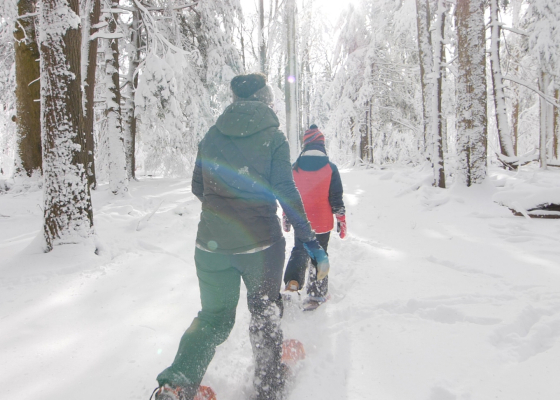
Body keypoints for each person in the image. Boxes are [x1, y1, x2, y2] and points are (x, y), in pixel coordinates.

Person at [153, 74, 329, 400]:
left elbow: (198, 187)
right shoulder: (273, 137)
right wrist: (311, 243)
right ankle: (269, 384)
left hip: (210, 246)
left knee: (213, 318)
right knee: (264, 311)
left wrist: (225, 209)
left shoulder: (211, 135)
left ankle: (176, 386)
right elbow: (286, 193)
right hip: (261, 247)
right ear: (265, 100)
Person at [282, 125, 346, 309]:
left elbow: (288, 195)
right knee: (319, 253)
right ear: (321, 144)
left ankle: (293, 283)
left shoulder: (295, 169)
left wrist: (286, 215)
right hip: (323, 221)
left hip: (300, 220)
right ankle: (316, 295)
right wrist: (341, 219)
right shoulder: (330, 168)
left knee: (299, 250)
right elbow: (336, 198)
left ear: (306, 144)